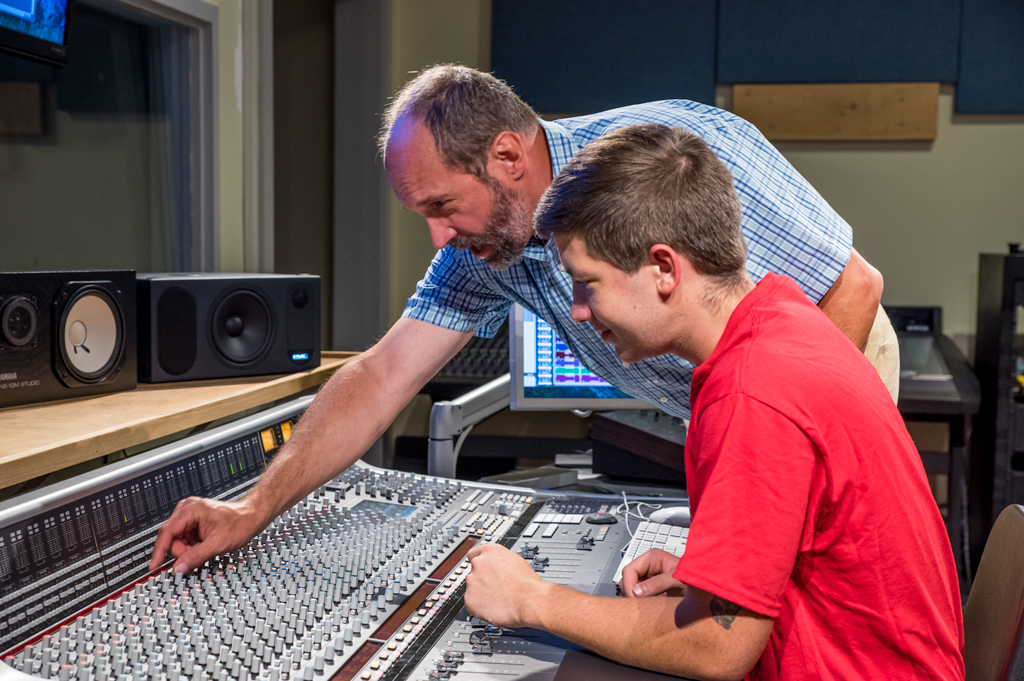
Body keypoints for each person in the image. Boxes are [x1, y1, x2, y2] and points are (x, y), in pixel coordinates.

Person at [148, 64, 894, 576]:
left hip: (831, 370)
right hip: (724, 411)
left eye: (441, 206)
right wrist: (252, 505)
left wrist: (759, 489)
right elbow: (382, 375)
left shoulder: (681, 152)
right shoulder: (484, 248)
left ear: (507, 156)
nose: (439, 238)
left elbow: (852, 286)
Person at [463, 123, 963, 680]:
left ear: (664, 269)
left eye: (589, 283)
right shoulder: (782, 319)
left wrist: (532, 599)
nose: (579, 310)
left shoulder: (753, 391)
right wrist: (711, 575)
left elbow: (714, 649)